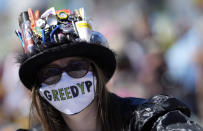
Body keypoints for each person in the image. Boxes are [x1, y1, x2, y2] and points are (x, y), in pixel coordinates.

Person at [15, 7, 203, 131]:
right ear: (39, 87)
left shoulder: (146, 119)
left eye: (76, 67)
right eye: (50, 73)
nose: (65, 79)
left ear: (97, 71)